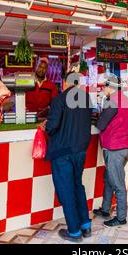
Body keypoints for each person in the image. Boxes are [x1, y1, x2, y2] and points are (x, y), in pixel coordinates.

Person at [44, 71, 93, 242]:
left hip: (63, 152)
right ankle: (86, 225)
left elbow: (52, 127)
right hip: (81, 151)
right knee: (77, 185)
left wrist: (46, 126)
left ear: (65, 82)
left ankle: (74, 232)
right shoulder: (86, 99)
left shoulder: (59, 100)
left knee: (67, 190)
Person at [93, 74, 128, 227]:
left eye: (105, 87)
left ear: (110, 88)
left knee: (117, 183)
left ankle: (121, 217)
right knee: (109, 179)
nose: (104, 90)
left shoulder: (113, 102)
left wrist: (98, 117)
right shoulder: (126, 100)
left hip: (115, 147)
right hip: (122, 146)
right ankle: (105, 209)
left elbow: (101, 124)